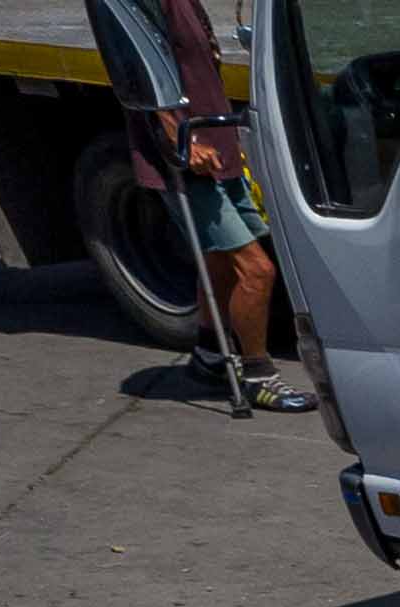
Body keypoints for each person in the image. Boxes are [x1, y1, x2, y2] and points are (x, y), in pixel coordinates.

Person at [139, 0, 313, 410]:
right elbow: (142, 73)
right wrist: (181, 137)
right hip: (189, 155)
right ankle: (258, 376)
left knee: (220, 261)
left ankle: (209, 357)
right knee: (257, 270)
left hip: (218, 145)